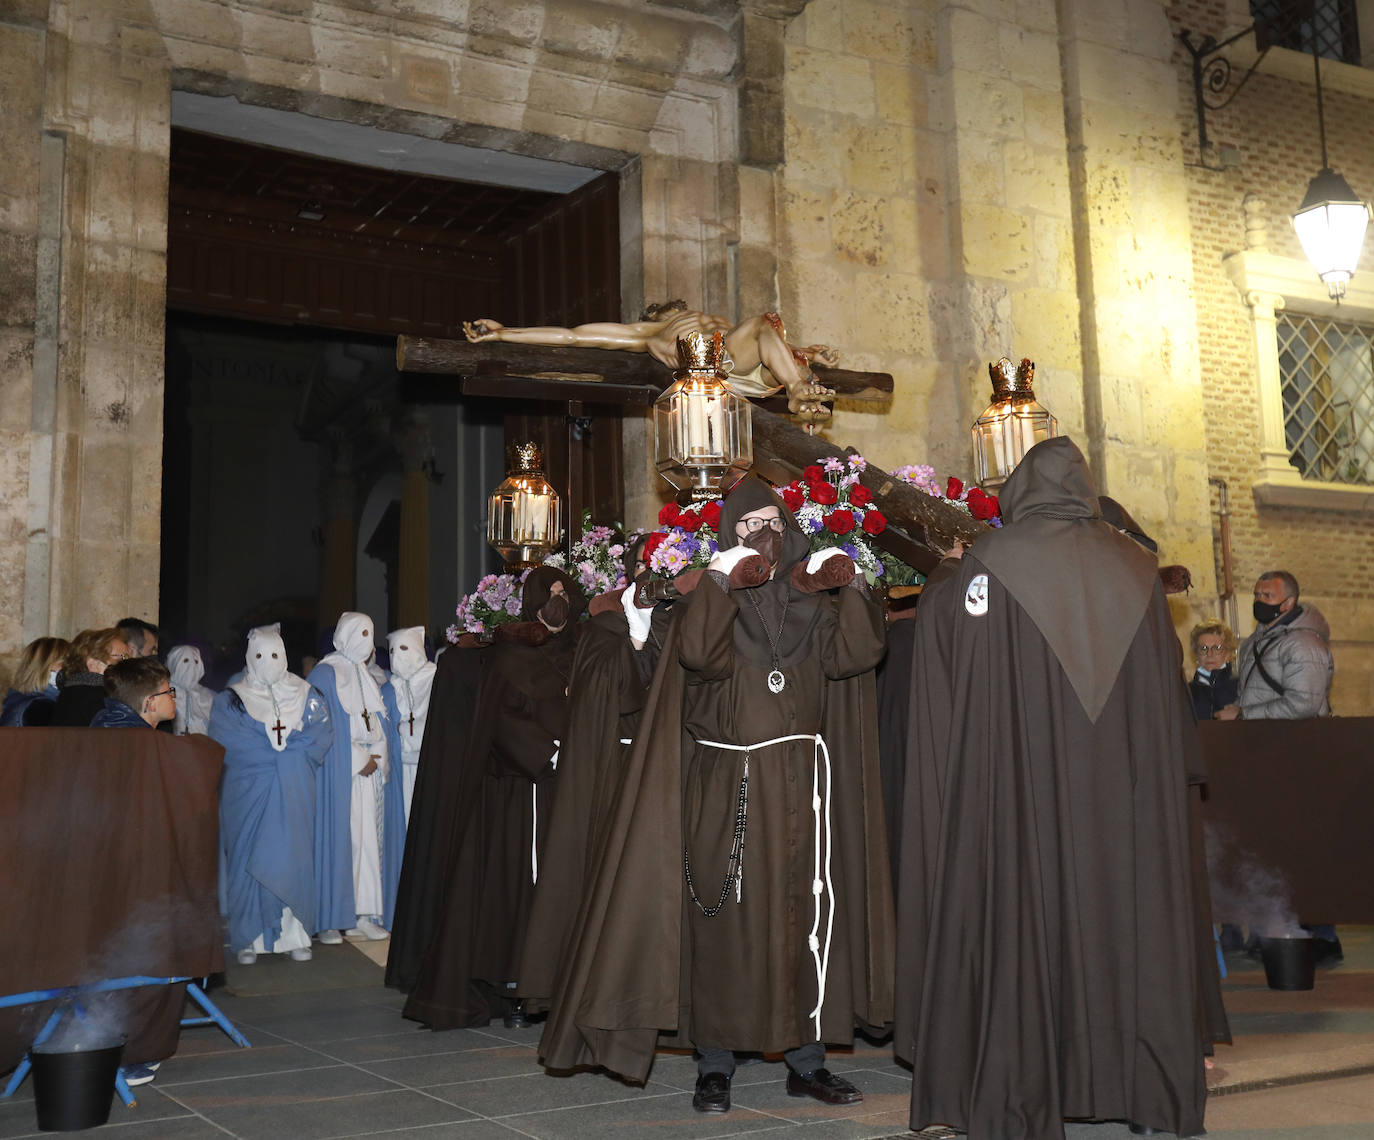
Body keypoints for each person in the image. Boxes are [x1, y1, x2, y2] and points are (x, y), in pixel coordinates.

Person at [894, 437, 1227, 1140]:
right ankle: (1141, 1086)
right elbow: (1163, 685)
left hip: (1025, 794)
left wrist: (945, 580)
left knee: (1024, 912)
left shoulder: (991, 563)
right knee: (1124, 921)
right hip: (1121, 801)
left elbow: (950, 652)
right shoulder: (1136, 567)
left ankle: (1021, 1090)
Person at [538, 474, 893, 1114]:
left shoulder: (812, 599)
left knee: (803, 920)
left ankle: (806, 1060)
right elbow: (699, 655)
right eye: (752, 521)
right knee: (721, 922)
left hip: (802, 783)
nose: (767, 531)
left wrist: (853, 582)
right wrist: (723, 581)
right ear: (731, 533)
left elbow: (856, 657)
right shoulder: (710, 596)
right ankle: (716, 1065)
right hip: (728, 783)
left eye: (776, 520)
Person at [402, 568, 585, 1030]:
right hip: (523, 792)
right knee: (522, 887)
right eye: (550, 593)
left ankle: (566, 982)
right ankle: (518, 985)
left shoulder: (584, 651)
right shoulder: (510, 656)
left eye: (565, 591)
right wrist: (552, 753)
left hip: (575, 789)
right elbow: (500, 720)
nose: (558, 601)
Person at [463, 302, 838, 423]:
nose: (681, 307)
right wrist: (504, 332)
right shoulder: (647, 333)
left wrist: (805, 350)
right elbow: (573, 335)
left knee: (763, 323)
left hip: (751, 360)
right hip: (716, 369)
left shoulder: (715, 320)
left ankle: (801, 385)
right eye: (669, 307)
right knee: (758, 323)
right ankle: (798, 389)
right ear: (656, 312)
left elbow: (762, 339)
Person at [211, 624, 332, 966]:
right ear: (248, 657)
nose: (267, 661)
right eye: (259, 655)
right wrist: (277, 753)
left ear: (285, 655)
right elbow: (227, 742)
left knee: (292, 859)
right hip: (247, 794)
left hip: (293, 792)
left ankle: (295, 935)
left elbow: (320, 735)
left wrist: (284, 753)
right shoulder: (231, 700)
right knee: (247, 860)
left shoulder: (307, 694)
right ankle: (249, 936)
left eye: (274, 654)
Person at [309, 613, 406, 944]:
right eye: (359, 632)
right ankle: (333, 918)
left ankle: (363, 914)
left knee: (368, 845)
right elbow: (321, 729)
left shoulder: (365, 675)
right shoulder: (325, 673)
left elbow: (378, 722)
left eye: (370, 633)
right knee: (342, 842)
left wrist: (378, 754)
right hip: (342, 775)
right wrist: (359, 758)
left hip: (370, 777)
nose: (365, 639)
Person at [1216, 571, 1333, 722]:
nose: (1259, 601)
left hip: (1295, 740)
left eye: (1267, 596)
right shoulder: (1253, 641)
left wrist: (1243, 714)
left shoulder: (1304, 644)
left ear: (1288, 603)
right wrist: (1235, 710)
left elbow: (1303, 704)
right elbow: (1249, 694)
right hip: (1262, 736)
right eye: (1257, 595)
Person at [384, 627, 436, 822]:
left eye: (404, 648)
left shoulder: (436, 679)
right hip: (400, 767)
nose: (396, 655)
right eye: (391, 651)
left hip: (430, 766)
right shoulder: (390, 687)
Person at [51, 628, 133, 726]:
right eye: (122, 658)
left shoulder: (72, 690)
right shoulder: (96, 697)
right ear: (93, 664)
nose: (128, 665)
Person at [1, 637, 71, 726]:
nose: (69, 670)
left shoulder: (21, 701)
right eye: (65, 663)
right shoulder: (41, 708)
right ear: (44, 667)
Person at [91, 657, 177, 728]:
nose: (173, 696)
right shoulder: (146, 742)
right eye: (168, 692)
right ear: (151, 703)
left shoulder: (100, 724)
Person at [1188, 618, 1239, 721]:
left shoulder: (1241, 686)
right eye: (1204, 648)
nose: (1209, 654)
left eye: (1217, 648)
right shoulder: (1186, 692)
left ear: (1228, 654)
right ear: (1196, 655)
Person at [167, 645, 215, 736]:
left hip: (203, 746)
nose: (191, 666)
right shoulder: (165, 691)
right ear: (174, 662)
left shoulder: (208, 695)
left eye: (196, 661)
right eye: (185, 661)